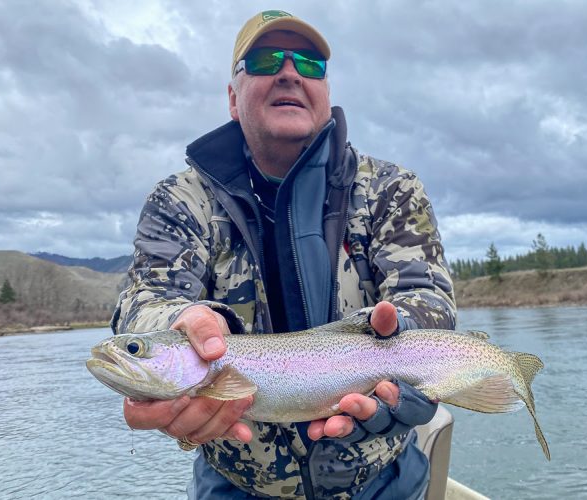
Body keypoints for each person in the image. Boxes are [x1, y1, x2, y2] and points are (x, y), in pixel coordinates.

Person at [111, 9, 456, 500]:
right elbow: (145, 301)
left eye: (310, 64)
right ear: (233, 97)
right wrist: (178, 322)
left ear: (326, 92)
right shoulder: (180, 201)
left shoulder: (392, 190)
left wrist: (405, 336)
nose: (290, 72)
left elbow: (430, 299)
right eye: (266, 59)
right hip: (236, 485)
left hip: (384, 480)